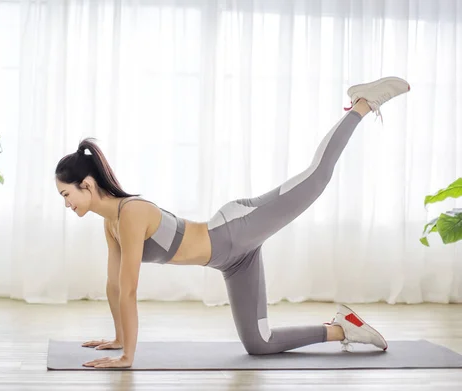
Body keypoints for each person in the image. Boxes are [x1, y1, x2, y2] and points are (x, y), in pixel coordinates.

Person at [55, 76, 411, 368]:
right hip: (232, 259)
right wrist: (117, 338)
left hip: (235, 229)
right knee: (260, 343)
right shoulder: (111, 223)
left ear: (86, 185)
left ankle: (361, 104)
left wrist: (127, 356)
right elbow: (114, 287)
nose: (66, 203)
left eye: (66, 194)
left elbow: (130, 290)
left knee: (316, 178)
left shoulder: (130, 214)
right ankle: (342, 329)